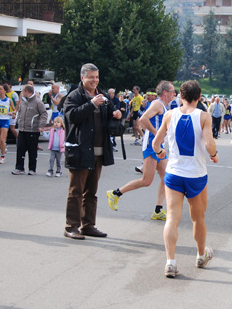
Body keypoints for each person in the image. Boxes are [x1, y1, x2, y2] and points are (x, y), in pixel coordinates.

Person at [151, 80, 218, 278]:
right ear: (199, 97)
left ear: (180, 96)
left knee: (172, 217)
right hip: (196, 174)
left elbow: (156, 143)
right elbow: (210, 145)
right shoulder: (204, 116)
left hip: (174, 172)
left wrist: (161, 152)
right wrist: (214, 155)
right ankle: (200, 255)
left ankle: (170, 262)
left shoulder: (170, 115)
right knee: (198, 218)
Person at [63, 64, 122, 240]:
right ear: (82, 78)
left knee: (91, 192)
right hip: (80, 151)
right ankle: (71, 226)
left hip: (98, 152)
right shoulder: (73, 96)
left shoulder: (103, 97)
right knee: (76, 191)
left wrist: (117, 113)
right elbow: (72, 116)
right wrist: (91, 104)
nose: (94, 80)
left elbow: (112, 112)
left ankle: (88, 225)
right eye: (91, 77)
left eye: (96, 77)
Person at [107, 80, 176, 221]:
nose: (174, 94)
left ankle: (158, 209)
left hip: (158, 145)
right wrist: (157, 134)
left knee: (166, 177)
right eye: (172, 92)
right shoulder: (157, 103)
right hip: (151, 144)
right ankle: (115, 193)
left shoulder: (164, 106)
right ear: (165, 93)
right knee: (146, 181)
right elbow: (143, 119)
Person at [11, 85, 47, 175]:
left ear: (27, 91)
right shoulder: (23, 101)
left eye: (23, 91)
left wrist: (41, 125)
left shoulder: (38, 102)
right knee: (20, 148)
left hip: (33, 130)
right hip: (22, 129)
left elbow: (44, 114)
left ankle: (32, 169)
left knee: (32, 150)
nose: (22, 93)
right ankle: (19, 168)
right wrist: (18, 120)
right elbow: (20, 111)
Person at [0, 85, 14, 164]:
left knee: (2, 139)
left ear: (5, 91)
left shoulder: (9, 100)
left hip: (5, 121)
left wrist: (12, 113)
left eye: (1, 89)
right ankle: (3, 148)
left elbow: (14, 110)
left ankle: (2, 156)